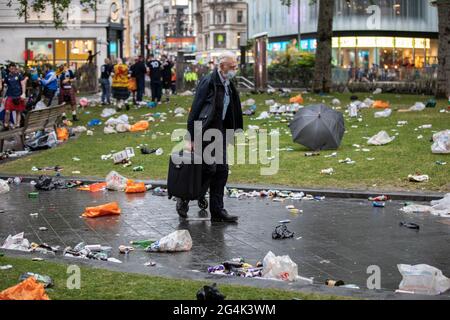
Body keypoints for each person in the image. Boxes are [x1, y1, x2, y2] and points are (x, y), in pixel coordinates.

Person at [177, 52, 243, 223]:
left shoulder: (228, 84)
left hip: (219, 131)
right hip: (204, 131)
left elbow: (230, 110)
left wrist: (233, 132)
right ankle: (184, 199)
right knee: (208, 169)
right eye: (232, 67)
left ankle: (217, 210)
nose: (235, 70)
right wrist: (190, 137)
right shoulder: (208, 82)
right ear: (222, 66)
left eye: (236, 67)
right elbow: (196, 109)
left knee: (221, 170)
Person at [1, 63, 28, 130]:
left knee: (18, 111)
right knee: (7, 111)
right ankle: (6, 125)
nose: (12, 69)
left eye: (13, 68)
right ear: (9, 69)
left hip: (18, 96)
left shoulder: (19, 75)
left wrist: (24, 93)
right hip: (10, 96)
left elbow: (23, 84)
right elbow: (5, 87)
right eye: (10, 68)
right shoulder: (7, 76)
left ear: (15, 68)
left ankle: (17, 125)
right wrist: (3, 97)